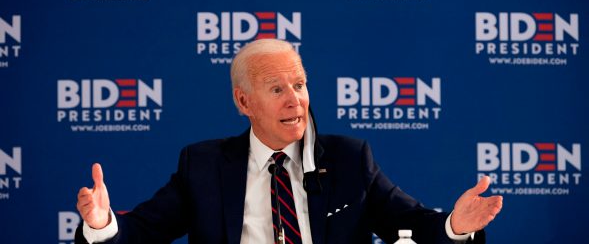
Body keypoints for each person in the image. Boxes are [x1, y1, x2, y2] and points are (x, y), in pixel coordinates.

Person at [75, 39, 503, 244]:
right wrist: (100, 223)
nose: (295, 99)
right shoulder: (204, 165)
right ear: (244, 101)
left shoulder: (349, 160)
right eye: (277, 89)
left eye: (299, 84)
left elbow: (411, 226)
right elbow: (138, 233)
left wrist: (455, 225)